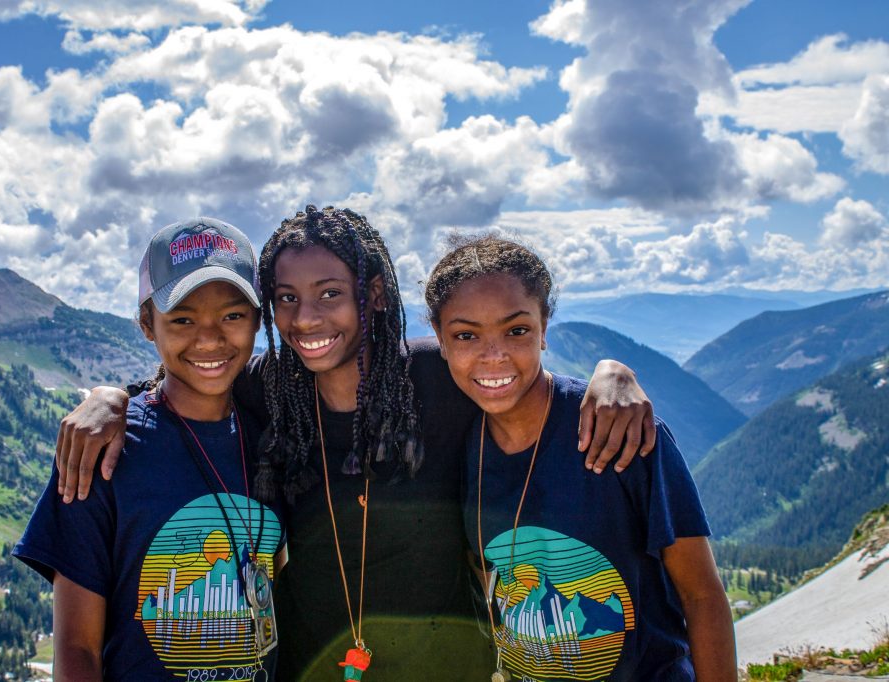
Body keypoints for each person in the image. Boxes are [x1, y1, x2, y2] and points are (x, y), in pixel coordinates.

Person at [54, 206, 657, 680]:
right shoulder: (268, 394)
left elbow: (512, 373)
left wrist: (612, 375)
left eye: (330, 294)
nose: (306, 319)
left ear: (370, 293)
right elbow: (190, 379)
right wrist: (112, 398)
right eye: (286, 299)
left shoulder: (437, 382)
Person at [426, 235, 736, 681]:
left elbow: (702, 597)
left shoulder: (619, 432)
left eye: (516, 331)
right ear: (440, 337)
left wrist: (616, 369)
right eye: (466, 335)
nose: (493, 356)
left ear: (545, 327)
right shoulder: (459, 444)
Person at [13, 217, 286, 681]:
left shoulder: (274, 436)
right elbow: (77, 649)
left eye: (233, 315)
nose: (210, 338)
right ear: (146, 324)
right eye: (182, 319)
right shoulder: (104, 453)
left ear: (259, 320)